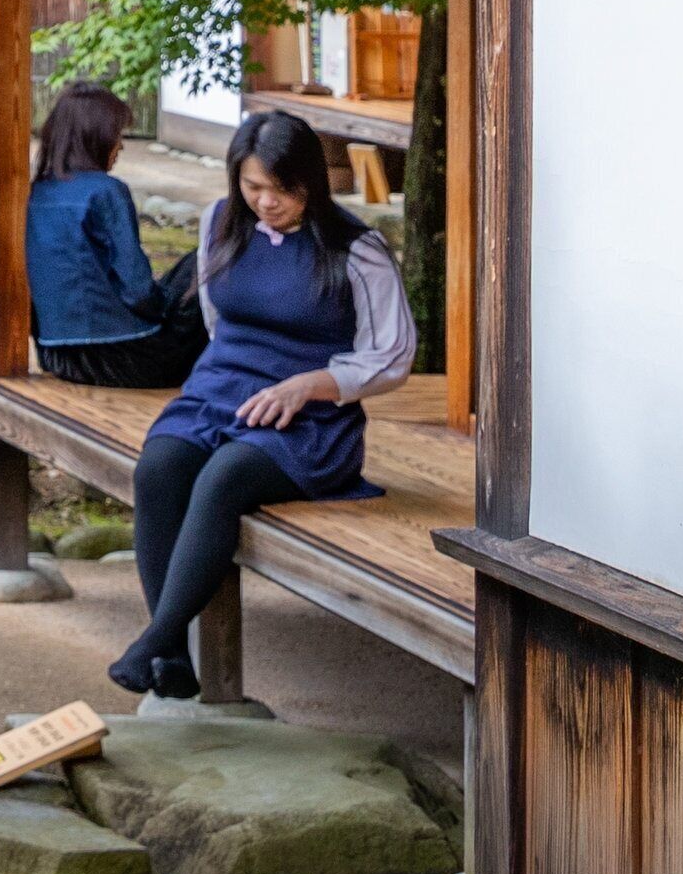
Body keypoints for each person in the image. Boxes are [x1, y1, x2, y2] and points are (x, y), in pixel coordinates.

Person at [107, 111, 414, 699]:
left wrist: (309, 385)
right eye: (253, 188)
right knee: (160, 468)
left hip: (313, 417)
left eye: (282, 189)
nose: (266, 202)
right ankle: (171, 655)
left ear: (312, 182)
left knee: (224, 477)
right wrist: (225, 376)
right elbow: (218, 320)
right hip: (221, 386)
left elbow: (393, 355)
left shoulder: (356, 249)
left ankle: (156, 638)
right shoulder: (220, 221)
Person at [24, 83, 206, 386]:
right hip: (124, 356)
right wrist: (169, 303)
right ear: (95, 137)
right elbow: (138, 292)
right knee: (210, 261)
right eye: (117, 135)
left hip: (56, 355)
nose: (120, 146)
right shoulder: (107, 192)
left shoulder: (35, 192)